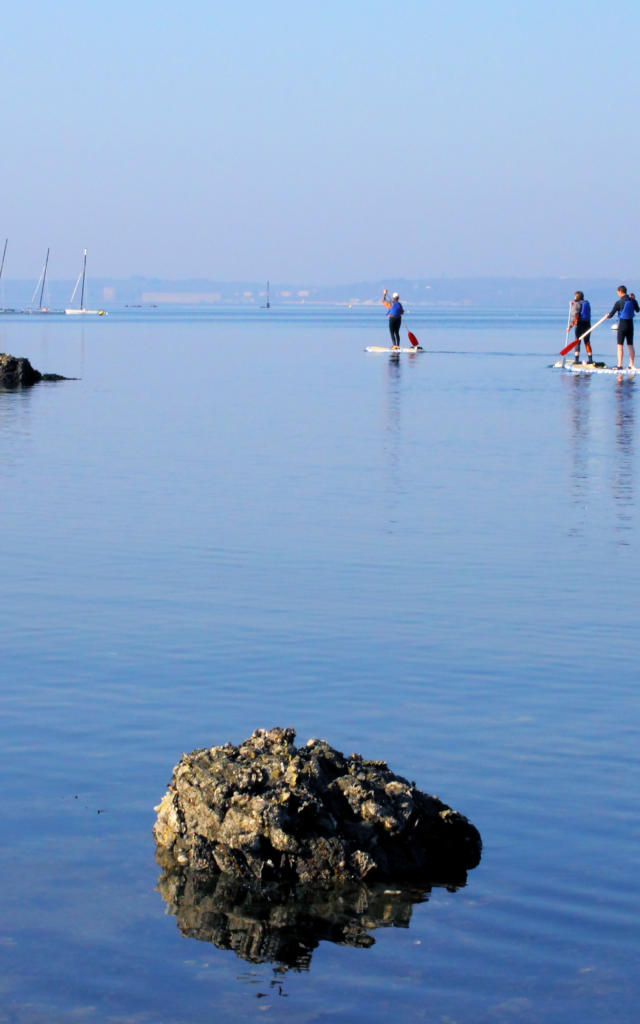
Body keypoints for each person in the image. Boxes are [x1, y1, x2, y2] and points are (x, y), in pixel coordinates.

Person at [605, 285, 639, 369]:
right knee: (630, 344)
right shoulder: (633, 301)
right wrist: (634, 300)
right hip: (630, 325)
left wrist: (607, 316)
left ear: (620, 291)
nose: (618, 294)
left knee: (620, 345)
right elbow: (638, 310)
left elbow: (611, 315)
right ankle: (631, 364)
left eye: (618, 292)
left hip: (622, 325)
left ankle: (619, 365)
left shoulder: (619, 302)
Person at [568, 290, 593, 363]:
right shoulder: (587, 303)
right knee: (587, 342)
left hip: (580, 325)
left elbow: (576, 316)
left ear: (576, 297)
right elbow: (580, 306)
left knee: (577, 342)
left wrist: (570, 327)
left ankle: (576, 360)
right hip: (588, 324)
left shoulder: (576, 304)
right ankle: (590, 360)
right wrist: (573, 304)